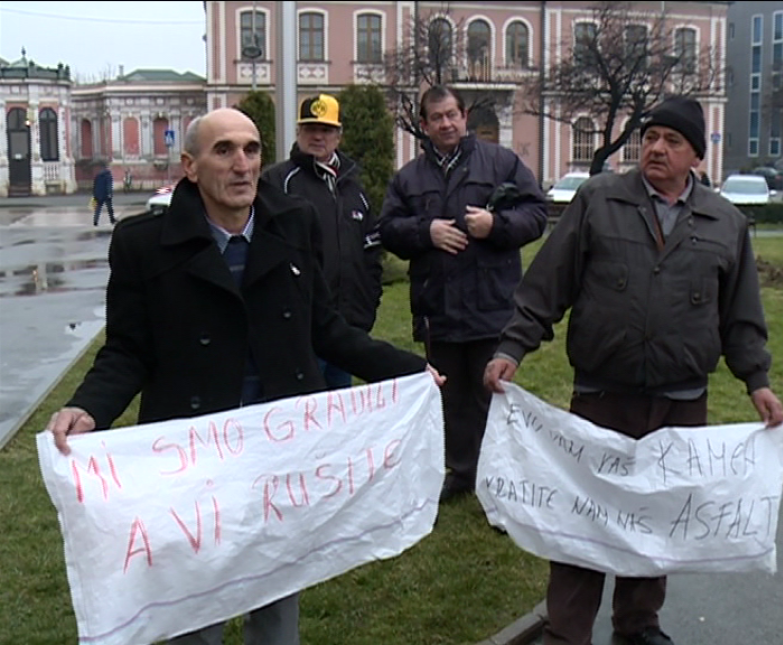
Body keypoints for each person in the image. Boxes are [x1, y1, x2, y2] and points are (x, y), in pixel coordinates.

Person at [47, 107, 444, 645]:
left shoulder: (294, 223)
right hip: (193, 468)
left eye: (252, 149)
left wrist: (406, 370)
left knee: (277, 608)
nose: (242, 165)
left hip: (280, 460)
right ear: (190, 166)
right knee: (195, 616)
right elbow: (128, 350)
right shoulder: (144, 244)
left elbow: (324, 328)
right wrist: (87, 407)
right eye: (224, 150)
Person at [483, 95, 783, 645]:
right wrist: (513, 347)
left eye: (672, 141)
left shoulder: (725, 222)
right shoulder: (600, 200)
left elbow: (741, 317)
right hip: (602, 395)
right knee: (583, 518)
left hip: (680, 400)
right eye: (650, 137)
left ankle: (638, 625)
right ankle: (567, 629)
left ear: (695, 154)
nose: (656, 149)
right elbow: (547, 284)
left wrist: (757, 381)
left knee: (655, 519)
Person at [378, 85, 547, 503]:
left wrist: (496, 225)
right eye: (437, 118)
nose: (446, 123)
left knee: (491, 396)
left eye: (452, 114)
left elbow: (536, 214)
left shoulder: (501, 162)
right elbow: (388, 229)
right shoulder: (409, 178)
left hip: (491, 305)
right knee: (449, 399)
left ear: (465, 116)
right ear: (424, 125)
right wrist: (426, 232)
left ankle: (499, 477)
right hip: (439, 309)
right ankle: (462, 470)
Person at [261, 93, 381, 390]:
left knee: (340, 420)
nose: (318, 137)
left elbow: (371, 254)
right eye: (310, 129)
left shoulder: (354, 187)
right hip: (298, 334)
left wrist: (366, 308)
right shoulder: (277, 183)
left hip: (345, 331)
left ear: (338, 136)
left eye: (326, 130)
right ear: (299, 132)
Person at [92, 160, 116, 226]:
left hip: (98, 194)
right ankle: (112, 220)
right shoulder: (108, 175)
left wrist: (95, 194)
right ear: (108, 168)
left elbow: (95, 185)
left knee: (98, 208)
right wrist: (109, 194)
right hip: (106, 194)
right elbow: (109, 185)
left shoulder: (98, 175)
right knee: (109, 208)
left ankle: (95, 221)